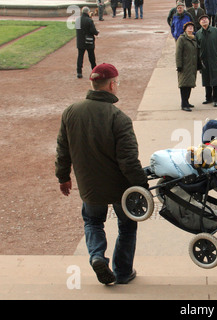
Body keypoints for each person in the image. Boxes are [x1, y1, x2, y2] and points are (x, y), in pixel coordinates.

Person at [55, 63, 148, 285]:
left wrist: (63, 177)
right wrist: (141, 186)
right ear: (112, 85)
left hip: (90, 184)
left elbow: (62, 149)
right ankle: (123, 272)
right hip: (120, 186)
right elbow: (128, 161)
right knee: (127, 226)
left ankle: (97, 255)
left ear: (92, 84)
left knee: (93, 221)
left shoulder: (71, 112)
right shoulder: (119, 118)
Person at [196, 14, 217, 107]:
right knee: (206, 79)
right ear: (200, 23)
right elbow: (197, 48)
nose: (204, 21)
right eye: (202, 20)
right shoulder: (198, 34)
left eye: (205, 19)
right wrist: (199, 59)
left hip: (214, 59)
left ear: (209, 21)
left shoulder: (215, 31)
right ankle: (208, 98)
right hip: (204, 60)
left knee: (215, 80)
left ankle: (215, 99)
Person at [176, 21, 201, 112]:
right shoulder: (182, 39)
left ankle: (187, 101)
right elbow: (178, 53)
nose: (190, 28)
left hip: (192, 65)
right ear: (185, 29)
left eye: (192, 27)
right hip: (185, 66)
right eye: (188, 27)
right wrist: (179, 65)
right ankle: (184, 104)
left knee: (189, 84)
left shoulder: (194, 38)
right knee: (184, 85)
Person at [76, 7, 99, 79]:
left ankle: (79, 72)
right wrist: (97, 32)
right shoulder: (89, 20)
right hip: (88, 41)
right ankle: (94, 71)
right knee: (91, 57)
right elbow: (93, 31)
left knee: (80, 56)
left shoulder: (77, 20)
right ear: (88, 12)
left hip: (80, 41)